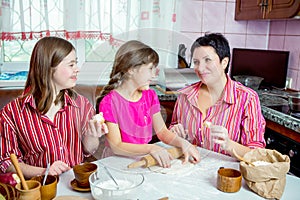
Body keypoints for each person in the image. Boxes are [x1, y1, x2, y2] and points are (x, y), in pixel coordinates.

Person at [0, 36, 108, 179]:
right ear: (49, 67)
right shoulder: (12, 112)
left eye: (75, 63)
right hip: (42, 187)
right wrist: (45, 171)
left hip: (76, 183)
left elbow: (88, 150)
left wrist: (93, 135)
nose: (77, 69)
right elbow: (7, 163)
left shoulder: (82, 105)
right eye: (71, 65)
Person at [96, 40, 200, 168]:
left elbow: (162, 132)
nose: (153, 74)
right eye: (150, 69)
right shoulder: (110, 102)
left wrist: (183, 143)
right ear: (131, 69)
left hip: (145, 158)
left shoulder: (150, 96)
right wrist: (151, 148)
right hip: (117, 161)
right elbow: (117, 146)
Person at [170, 33, 266, 158]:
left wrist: (229, 144)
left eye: (207, 60)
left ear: (224, 62)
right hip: (190, 169)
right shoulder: (185, 95)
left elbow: (258, 154)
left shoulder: (247, 99)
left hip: (228, 175)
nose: (200, 68)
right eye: (196, 62)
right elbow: (173, 128)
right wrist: (175, 133)